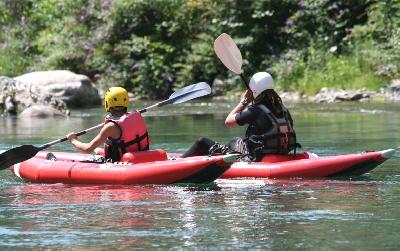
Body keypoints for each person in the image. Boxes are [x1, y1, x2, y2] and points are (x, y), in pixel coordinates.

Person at [182, 72, 297, 161]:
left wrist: (244, 101)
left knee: (202, 142)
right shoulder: (283, 110)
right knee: (236, 141)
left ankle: (178, 164)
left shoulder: (256, 110)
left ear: (254, 90)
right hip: (282, 154)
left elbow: (229, 122)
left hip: (255, 158)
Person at [66, 87, 149, 162]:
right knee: (97, 150)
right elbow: (148, 140)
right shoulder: (136, 117)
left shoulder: (110, 127)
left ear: (107, 103)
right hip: (142, 158)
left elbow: (87, 149)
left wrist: (73, 140)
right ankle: (99, 151)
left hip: (122, 164)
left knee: (95, 149)